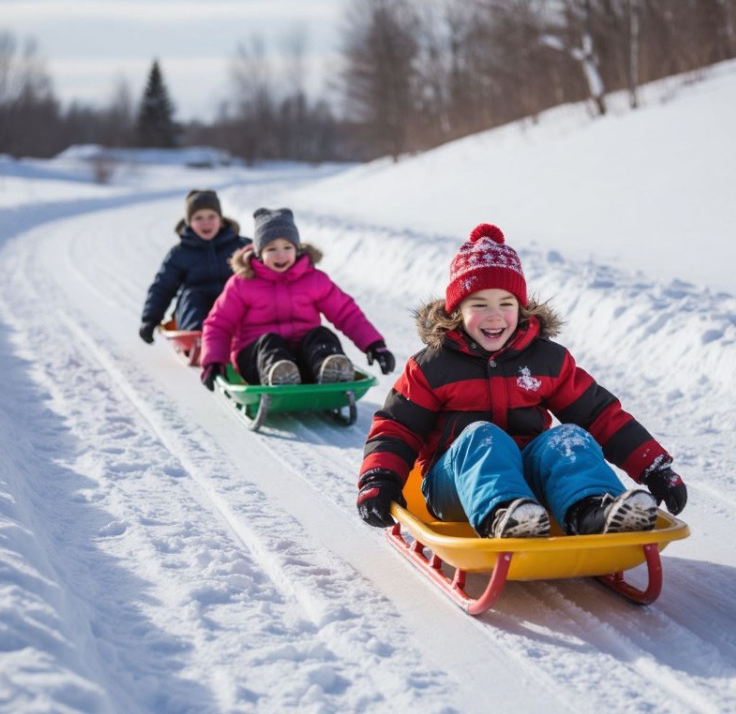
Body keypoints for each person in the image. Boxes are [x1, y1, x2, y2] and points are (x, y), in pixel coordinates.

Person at [356, 223, 687, 539]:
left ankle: (593, 511)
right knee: (482, 436)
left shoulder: (547, 360)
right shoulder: (433, 366)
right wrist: (379, 479)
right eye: (479, 305)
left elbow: (599, 415)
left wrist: (654, 467)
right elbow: (398, 426)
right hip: (456, 485)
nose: (494, 315)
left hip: (529, 487)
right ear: (457, 311)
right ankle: (503, 514)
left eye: (506, 303)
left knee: (569, 437)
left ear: (521, 308)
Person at [199, 207, 396, 390]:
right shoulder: (243, 283)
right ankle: (278, 373)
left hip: (304, 358)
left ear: (297, 248)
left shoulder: (314, 279)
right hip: (256, 360)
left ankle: (329, 370)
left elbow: (346, 313)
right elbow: (219, 324)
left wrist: (374, 344)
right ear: (259, 253)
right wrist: (213, 361)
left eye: (287, 247)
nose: (281, 255)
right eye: (271, 249)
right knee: (269, 341)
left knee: (321, 335)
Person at [139, 189, 251, 342]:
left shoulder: (240, 245)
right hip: (197, 307)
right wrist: (150, 319)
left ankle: (247, 335)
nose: (206, 222)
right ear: (189, 222)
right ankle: (196, 338)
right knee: (192, 296)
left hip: (231, 302)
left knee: (241, 296)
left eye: (211, 216)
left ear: (221, 219)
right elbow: (163, 286)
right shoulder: (180, 253)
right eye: (198, 218)